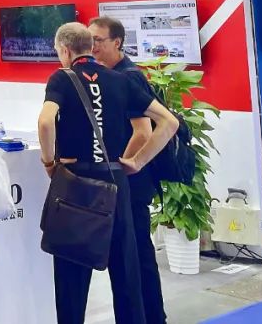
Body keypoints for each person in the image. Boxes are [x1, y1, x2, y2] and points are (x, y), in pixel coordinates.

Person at [38, 23, 179, 324]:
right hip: (116, 183)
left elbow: (46, 122)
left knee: (71, 279)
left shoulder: (62, 78)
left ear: (65, 50)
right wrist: (137, 161)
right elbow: (169, 122)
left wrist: (49, 162)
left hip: (76, 185)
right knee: (126, 274)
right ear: (91, 46)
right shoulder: (120, 80)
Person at [90, 17, 166, 324]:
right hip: (127, 182)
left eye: (98, 40)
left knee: (138, 257)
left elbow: (143, 132)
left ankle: (152, 317)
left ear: (117, 42)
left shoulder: (128, 78)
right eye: (90, 40)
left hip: (132, 184)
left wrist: (123, 166)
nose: (93, 47)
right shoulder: (109, 76)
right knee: (130, 257)